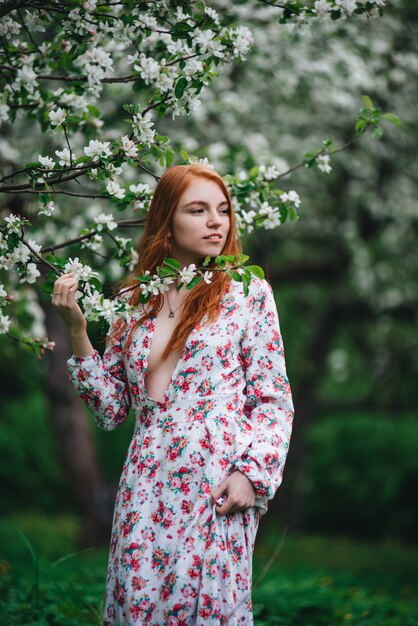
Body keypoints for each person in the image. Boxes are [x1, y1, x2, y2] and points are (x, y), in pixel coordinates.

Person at [52, 164, 294, 626]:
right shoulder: (134, 299)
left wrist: (252, 476)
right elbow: (112, 410)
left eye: (222, 210)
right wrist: (78, 331)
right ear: (167, 219)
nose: (216, 222)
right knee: (139, 607)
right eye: (198, 210)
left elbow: (273, 400)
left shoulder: (248, 293)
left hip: (216, 479)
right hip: (146, 480)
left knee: (208, 608)